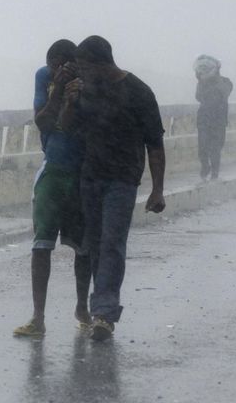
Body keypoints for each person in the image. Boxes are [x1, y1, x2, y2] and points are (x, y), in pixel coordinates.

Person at [60, 36, 166, 341]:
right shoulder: (85, 89)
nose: (82, 73)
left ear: (100, 63)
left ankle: (104, 313)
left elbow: (155, 144)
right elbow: (66, 126)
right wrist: (68, 100)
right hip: (90, 177)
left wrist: (157, 189)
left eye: (84, 66)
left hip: (122, 180)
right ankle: (101, 309)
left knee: (112, 243)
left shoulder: (138, 92)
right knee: (94, 243)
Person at [13, 40, 92, 337]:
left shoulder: (89, 82)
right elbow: (42, 122)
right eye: (53, 65)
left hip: (83, 172)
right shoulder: (44, 78)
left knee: (84, 248)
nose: (57, 70)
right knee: (41, 244)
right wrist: (57, 89)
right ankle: (38, 317)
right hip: (54, 169)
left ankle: (82, 307)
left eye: (63, 66)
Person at [193, 55, 233, 181]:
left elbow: (223, 93)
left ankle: (215, 172)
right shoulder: (202, 83)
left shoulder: (225, 82)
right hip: (204, 120)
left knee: (215, 148)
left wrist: (213, 80)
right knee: (202, 147)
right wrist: (201, 80)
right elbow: (198, 97)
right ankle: (205, 167)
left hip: (218, 121)